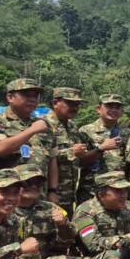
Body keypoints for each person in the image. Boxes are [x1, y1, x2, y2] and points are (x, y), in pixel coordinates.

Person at [0, 78, 58, 191]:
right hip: (9, 194)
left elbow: (52, 160)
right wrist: (31, 131)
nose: (32, 99)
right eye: (27, 95)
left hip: (38, 193)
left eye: (36, 96)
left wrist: (53, 190)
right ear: (10, 97)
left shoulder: (44, 124)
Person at [44, 87, 88, 216]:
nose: (74, 107)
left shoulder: (72, 126)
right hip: (50, 191)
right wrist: (71, 152)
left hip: (69, 192)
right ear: (55, 103)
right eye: (70, 103)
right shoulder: (43, 124)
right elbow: (42, 156)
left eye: (77, 104)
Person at [77, 94, 129, 204]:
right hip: (91, 191)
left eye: (117, 107)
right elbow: (80, 161)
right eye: (109, 106)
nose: (113, 110)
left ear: (122, 111)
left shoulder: (126, 133)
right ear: (98, 109)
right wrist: (101, 148)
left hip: (117, 192)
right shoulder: (86, 131)